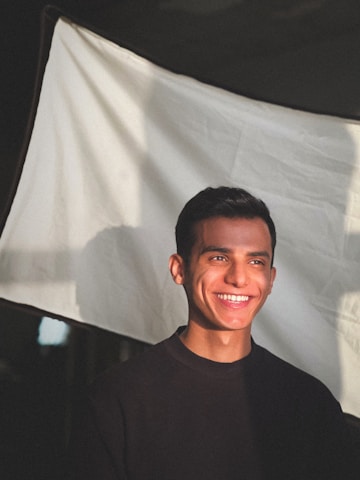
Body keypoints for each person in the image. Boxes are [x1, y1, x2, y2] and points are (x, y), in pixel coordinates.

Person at [69, 186, 354, 479]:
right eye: (219, 258)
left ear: (270, 279)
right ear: (179, 269)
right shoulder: (118, 397)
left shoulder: (310, 403)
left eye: (255, 262)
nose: (238, 278)